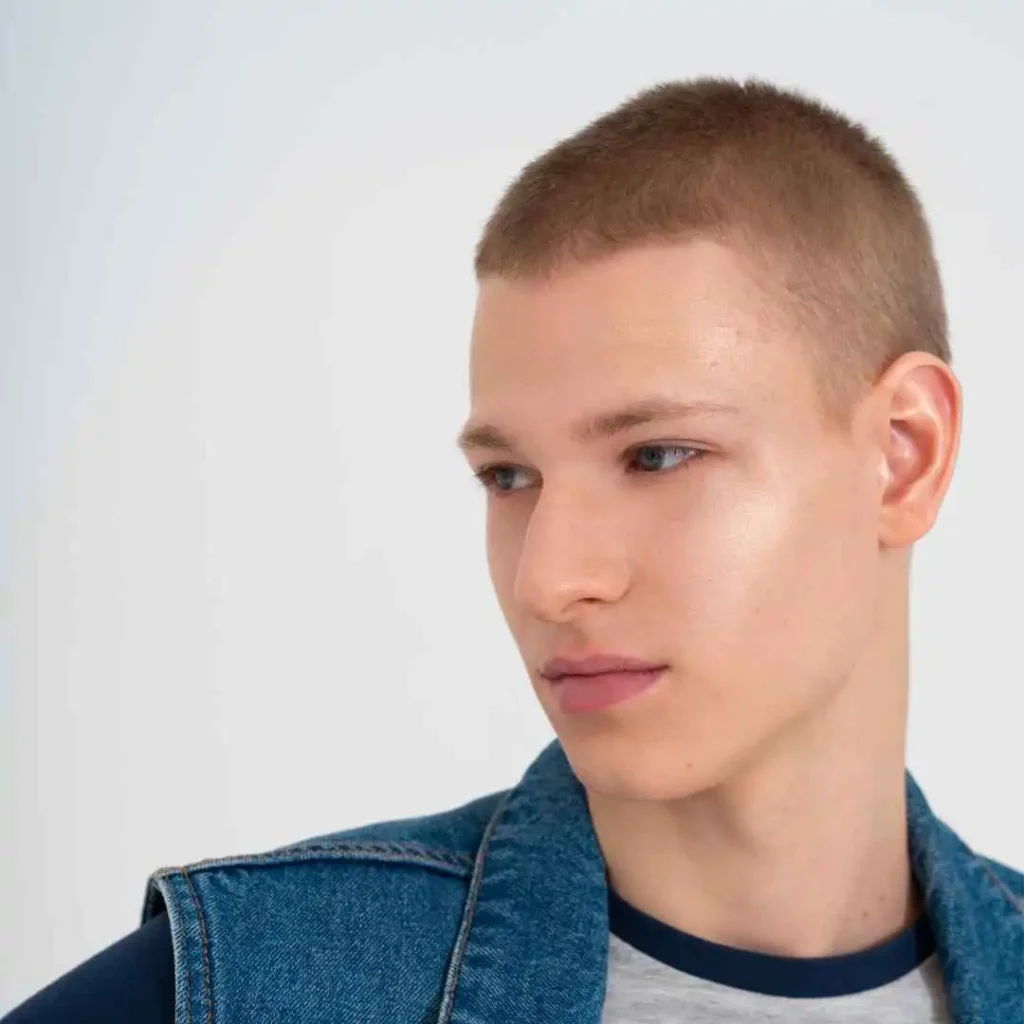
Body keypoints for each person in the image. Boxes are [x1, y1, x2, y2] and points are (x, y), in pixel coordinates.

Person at [5, 76, 1021, 1024]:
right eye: (509, 477)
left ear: (902, 455)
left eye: (657, 455)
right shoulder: (238, 986)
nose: (547, 578)